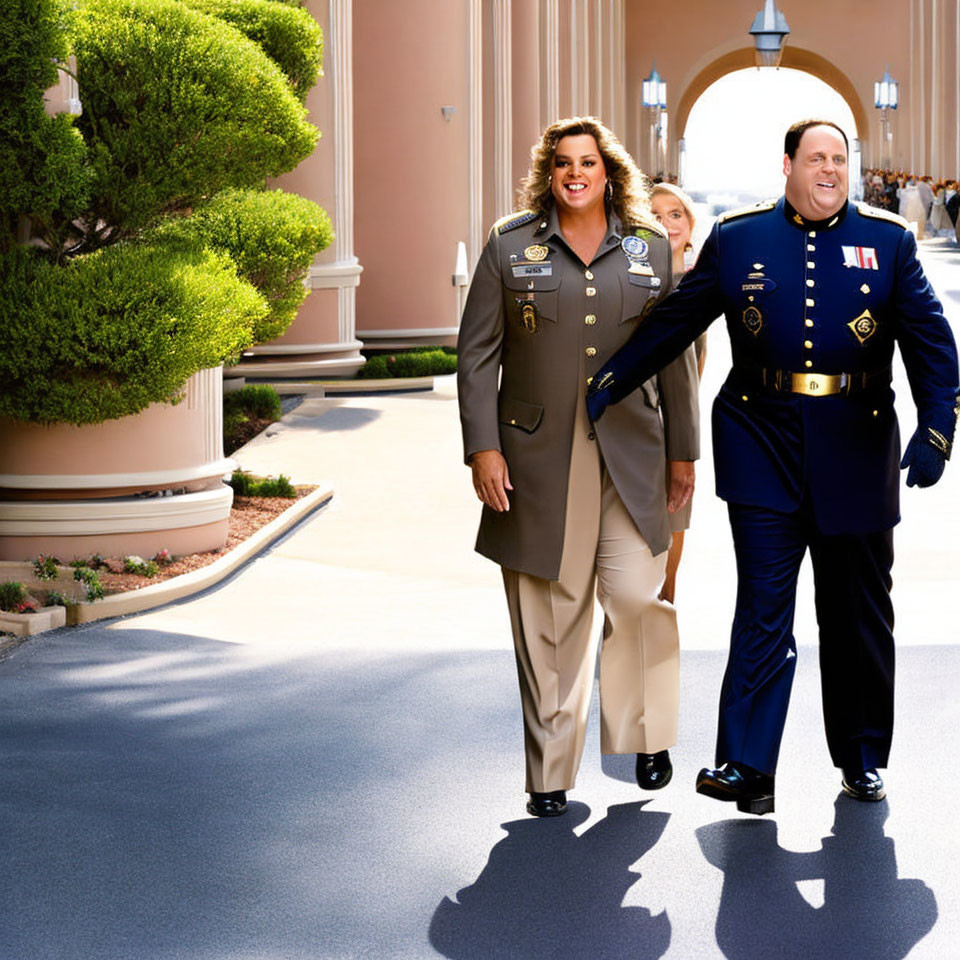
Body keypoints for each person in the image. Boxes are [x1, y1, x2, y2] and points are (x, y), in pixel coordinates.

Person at [586, 119, 959, 814]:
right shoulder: (739, 238)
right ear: (786, 165)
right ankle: (747, 765)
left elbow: (934, 345)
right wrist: (611, 377)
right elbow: (677, 321)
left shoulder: (889, 241)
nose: (829, 170)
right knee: (762, 604)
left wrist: (938, 428)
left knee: (856, 614)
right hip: (761, 439)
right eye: (815, 158)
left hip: (857, 444)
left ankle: (862, 757)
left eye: (839, 160)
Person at [457, 117, 700, 818]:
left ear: (608, 171)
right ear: (549, 172)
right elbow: (477, 354)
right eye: (562, 162)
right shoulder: (510, 245)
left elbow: (675, 357)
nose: (575, 173)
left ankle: (646, 735)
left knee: (636, 597)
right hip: (537, 459)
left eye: (587, 162)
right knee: (550, 616)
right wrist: (483, 447)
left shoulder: (650, 247)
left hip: (634, 454)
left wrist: (683, 452)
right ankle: (549, 774)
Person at [649, 182, 705, 605]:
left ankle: (665, 604)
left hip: (674, 428)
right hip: (632, 423)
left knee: (674, 519)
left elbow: (693, 374)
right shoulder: (627, 281)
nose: (666, 224)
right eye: (654, 215)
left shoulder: (699, 285)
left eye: (675, 215)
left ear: (689, 225)